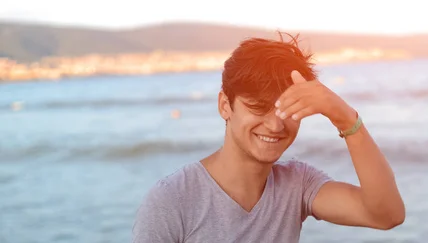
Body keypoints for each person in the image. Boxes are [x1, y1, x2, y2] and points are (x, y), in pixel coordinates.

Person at [132, 32, 405, 243]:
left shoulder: (297, 184)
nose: (275, 124)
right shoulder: (172, 199)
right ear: (225, 105)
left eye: (287, 108)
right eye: (258, 107)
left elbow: (386, 215)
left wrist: (345, 118)